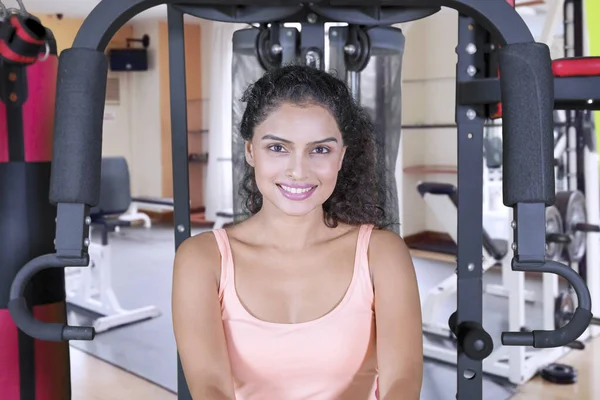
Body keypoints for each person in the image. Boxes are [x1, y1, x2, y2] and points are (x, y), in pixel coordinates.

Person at [171, 64, 423, 400]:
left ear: (341, 156)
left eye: (320, 149)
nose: (298, 171)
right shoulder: (202, 259)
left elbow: (402, 383)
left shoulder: (382, 254)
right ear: (250, 150)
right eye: (278, 148)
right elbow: (209, 387)